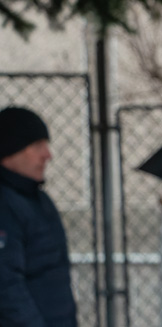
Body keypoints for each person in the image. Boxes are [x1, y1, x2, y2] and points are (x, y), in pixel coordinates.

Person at [0, 106, 77, 327]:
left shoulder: (39, 201)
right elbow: (7, 288)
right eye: (37, 146)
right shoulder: (6, 205)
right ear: (10, 150)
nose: (48, 155)